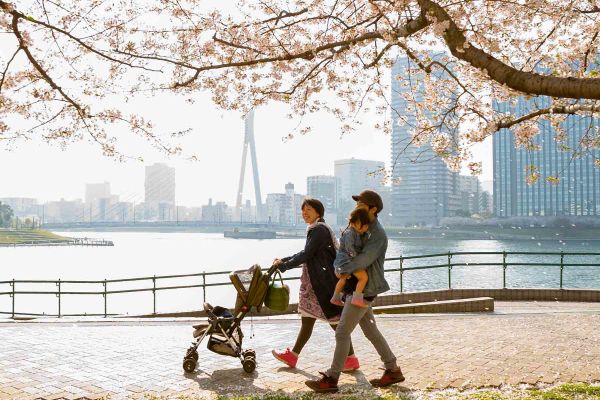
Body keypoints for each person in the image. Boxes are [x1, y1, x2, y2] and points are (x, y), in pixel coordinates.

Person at [305, 190, 405, 393]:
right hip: (357, 287)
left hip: (364, 289)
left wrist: (340, 268)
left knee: (342, 332)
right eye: (357, 204)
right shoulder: (360, 227)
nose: (357, 207)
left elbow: (362, 261)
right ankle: (393, 369)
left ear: (373, 209)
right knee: (371, 331)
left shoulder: (377, 234)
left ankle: (332, 378)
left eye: (361, 205)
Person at [271, 198, 360, 372]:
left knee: (335, 322)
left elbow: (307, 253)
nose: (305, 213)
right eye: (303, 210)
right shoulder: (316, 229)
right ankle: (293, 356)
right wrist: (284, 261)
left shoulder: (319, 230)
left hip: (323, 284)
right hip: (316, 284)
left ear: (318, 212)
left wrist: (284, 265)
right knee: (308, 319)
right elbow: (306, 253)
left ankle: (350, 358)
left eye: (309, 209)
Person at [330, 207, 370, 308]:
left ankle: (336, 297)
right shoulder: (350, 233)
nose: (366, 228)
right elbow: (349, 249)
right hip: (346, 261)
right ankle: (356, 299)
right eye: (364, 225)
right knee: (363, 277)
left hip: (344, 261)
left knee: (343, 279)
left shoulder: (355, 233)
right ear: (355, 223)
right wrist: (358, 259)